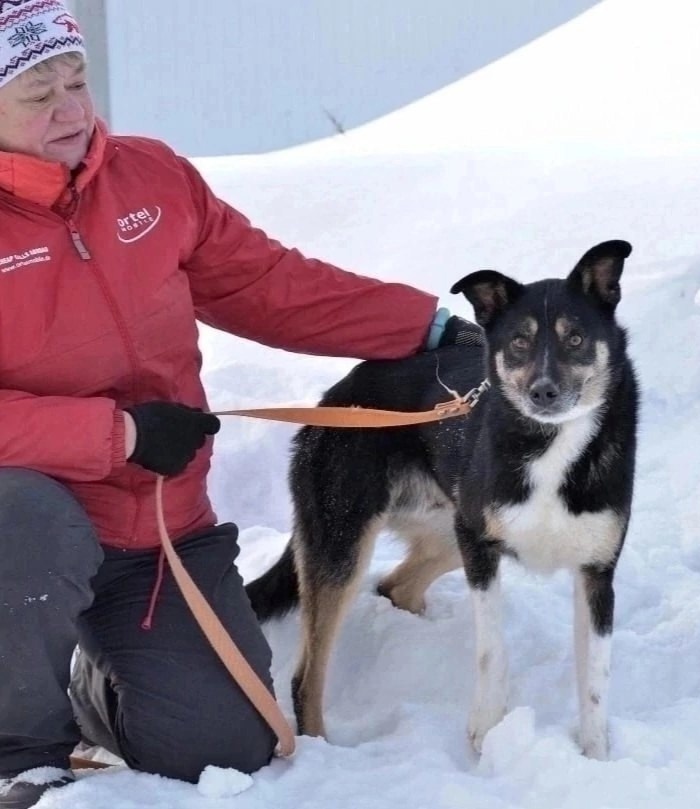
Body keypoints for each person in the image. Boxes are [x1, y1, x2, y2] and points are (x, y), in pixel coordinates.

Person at [0, 4, 483, 807]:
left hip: (156, 527)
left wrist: (427, 325)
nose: (72, 111)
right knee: (24, 520)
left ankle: (91, 680)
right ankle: (22, 748)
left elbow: (266, 284)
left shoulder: (150, 177)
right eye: (38, 94)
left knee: (228, 747)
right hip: (28, 529)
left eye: (78, 82)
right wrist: (115, 433)